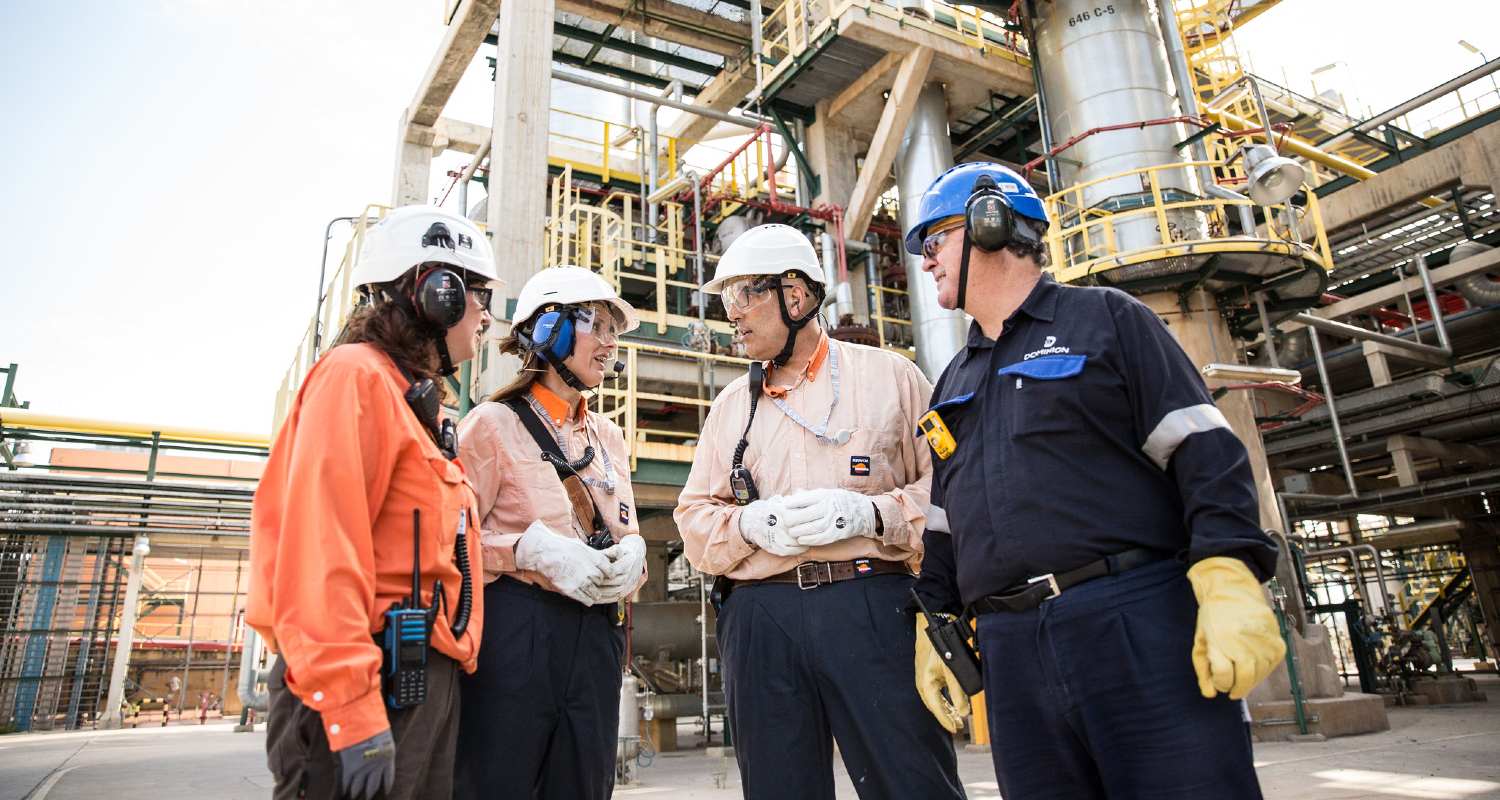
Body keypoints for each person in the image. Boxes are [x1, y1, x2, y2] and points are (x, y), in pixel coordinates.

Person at [905, 162, 1285, 799]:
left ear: (988, 224)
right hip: (1011, 649)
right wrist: (933, 618)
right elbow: (947, 518)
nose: (925, 263)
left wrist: (1228, 573)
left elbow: (1205, 452)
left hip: (1131, 620)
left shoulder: (1106, 320)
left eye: (934, 241)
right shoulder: (954, 381)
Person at [675, 224, 965, 800]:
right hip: (761, 617)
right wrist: (747, 524)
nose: (731, 314)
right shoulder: (731, 406)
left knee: (911, 780)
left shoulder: (893, 379)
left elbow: (953, 488)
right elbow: (694, 521)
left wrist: (872, 516)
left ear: (796, 295)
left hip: (871, 606)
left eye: (742, 296)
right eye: (725, 299)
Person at [248, 205, 498, 800]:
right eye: (478, 294)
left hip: (416, 684)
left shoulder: (414, 406)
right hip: (370, 686)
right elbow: (319, 551)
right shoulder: (355, 377)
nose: (487, 313)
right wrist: (352, 711)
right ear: (437, 294)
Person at [453, 265, 647, 800]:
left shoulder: (608, 436)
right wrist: (525, 550)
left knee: (583, 785)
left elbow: (622, 526)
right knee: (497, 782)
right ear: (550, 330)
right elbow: (447, 544)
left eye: (615, 331)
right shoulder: (491, 426)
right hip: (517, 634)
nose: (611, 344)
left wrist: (635, 555)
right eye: (599, 326)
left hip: (596, 638)